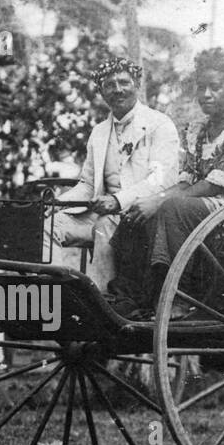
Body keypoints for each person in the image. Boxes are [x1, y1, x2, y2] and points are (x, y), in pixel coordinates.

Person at [109, 49, 224, 318]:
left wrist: (162, 202)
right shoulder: (198, 132)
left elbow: (216, 184)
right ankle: (134, 295)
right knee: (139, 213)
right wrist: (152, 201)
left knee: (174, 209)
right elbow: (187, 181)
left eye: (215, 87)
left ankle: (181, 296)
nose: (206, 94)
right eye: (201, 87)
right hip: (215, 204)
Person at [49, 57, 180, 298]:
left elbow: (161, 180)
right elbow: (88, 184)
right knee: (47, 226)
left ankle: (103, 301)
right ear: (101, 91)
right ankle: (57, 294)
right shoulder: (99, 133)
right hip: (102, 213)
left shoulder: (159, 124)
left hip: (139, 215)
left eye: (123, 82)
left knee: (104, 225)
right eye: (109, 85)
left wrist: (118, 200)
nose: (117, 89)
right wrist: (57, 204)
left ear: (136, 84)